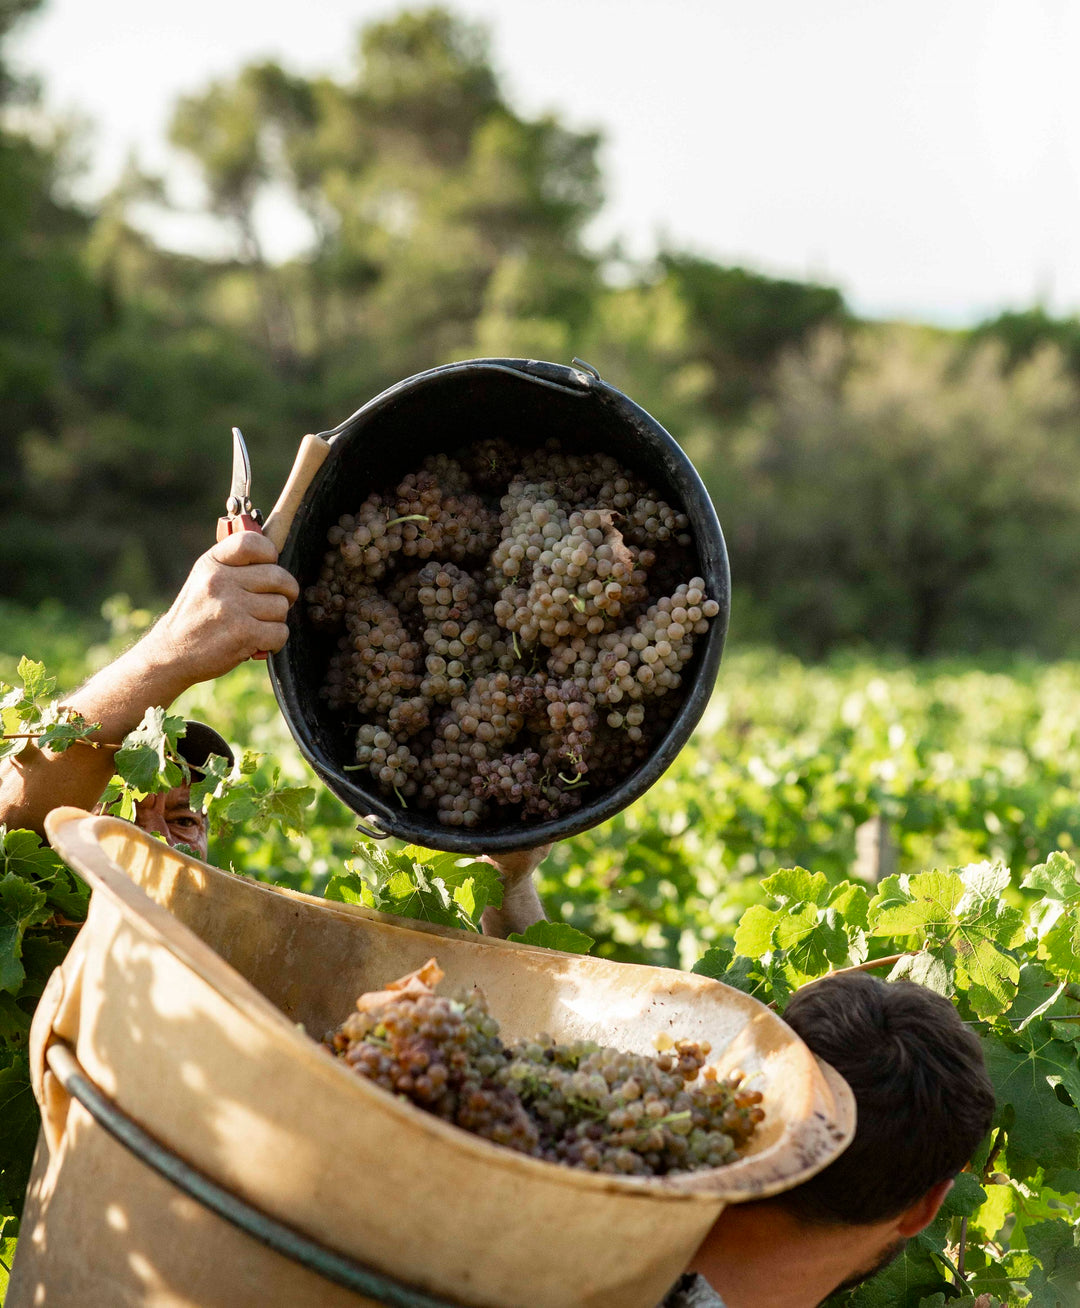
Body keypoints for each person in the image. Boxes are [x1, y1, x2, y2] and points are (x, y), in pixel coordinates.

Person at [1, 533, 996, 1308]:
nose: (182, 818)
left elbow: (20, 829)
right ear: (924, 1207)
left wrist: (167, 657)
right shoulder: (550, 1212)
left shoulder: (494, 1207)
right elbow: (526, 1062)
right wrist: (513, 888)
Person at [480, 854, 996, 1308]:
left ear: (750, 1094)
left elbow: (554, 1048)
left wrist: (507, 883)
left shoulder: (565, 1189)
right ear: (925, 1209)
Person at [0, 528, 297, 844]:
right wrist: (172, 648)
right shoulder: (40, 889)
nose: (159, 837)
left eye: (184, 820)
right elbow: (12, 822)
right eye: (121, 818)